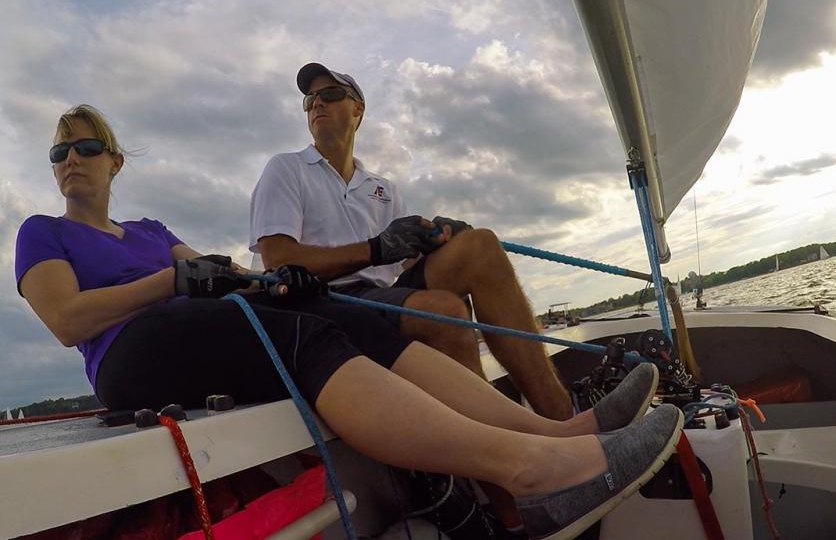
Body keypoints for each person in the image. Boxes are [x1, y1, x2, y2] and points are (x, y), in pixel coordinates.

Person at [15, 104, 681, 540]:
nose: (70, 158)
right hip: (131, 356)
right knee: (296, 332)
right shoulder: (40, 231)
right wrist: (171, 281)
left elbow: (222, 276)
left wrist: (277, 281)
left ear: (114, 160)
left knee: (334, 313)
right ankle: (531, 472)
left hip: (196, 332)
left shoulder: (150, 228)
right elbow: (68, 320)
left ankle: (556, 431)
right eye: (59, 152)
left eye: (85, 146)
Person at [250, 63, 573, 422]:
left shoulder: (384, 189)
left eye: (329, 95)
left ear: (357, 109)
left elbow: (405, 266)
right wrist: (376, 248)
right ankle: (519, 460)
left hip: (379, 297)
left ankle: (565, 422)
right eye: (309, 99)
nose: (316, 104)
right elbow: (277, 260)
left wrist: (440, 243)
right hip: (320, 302)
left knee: (479, 245)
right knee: (445, 311)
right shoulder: (286, 169)